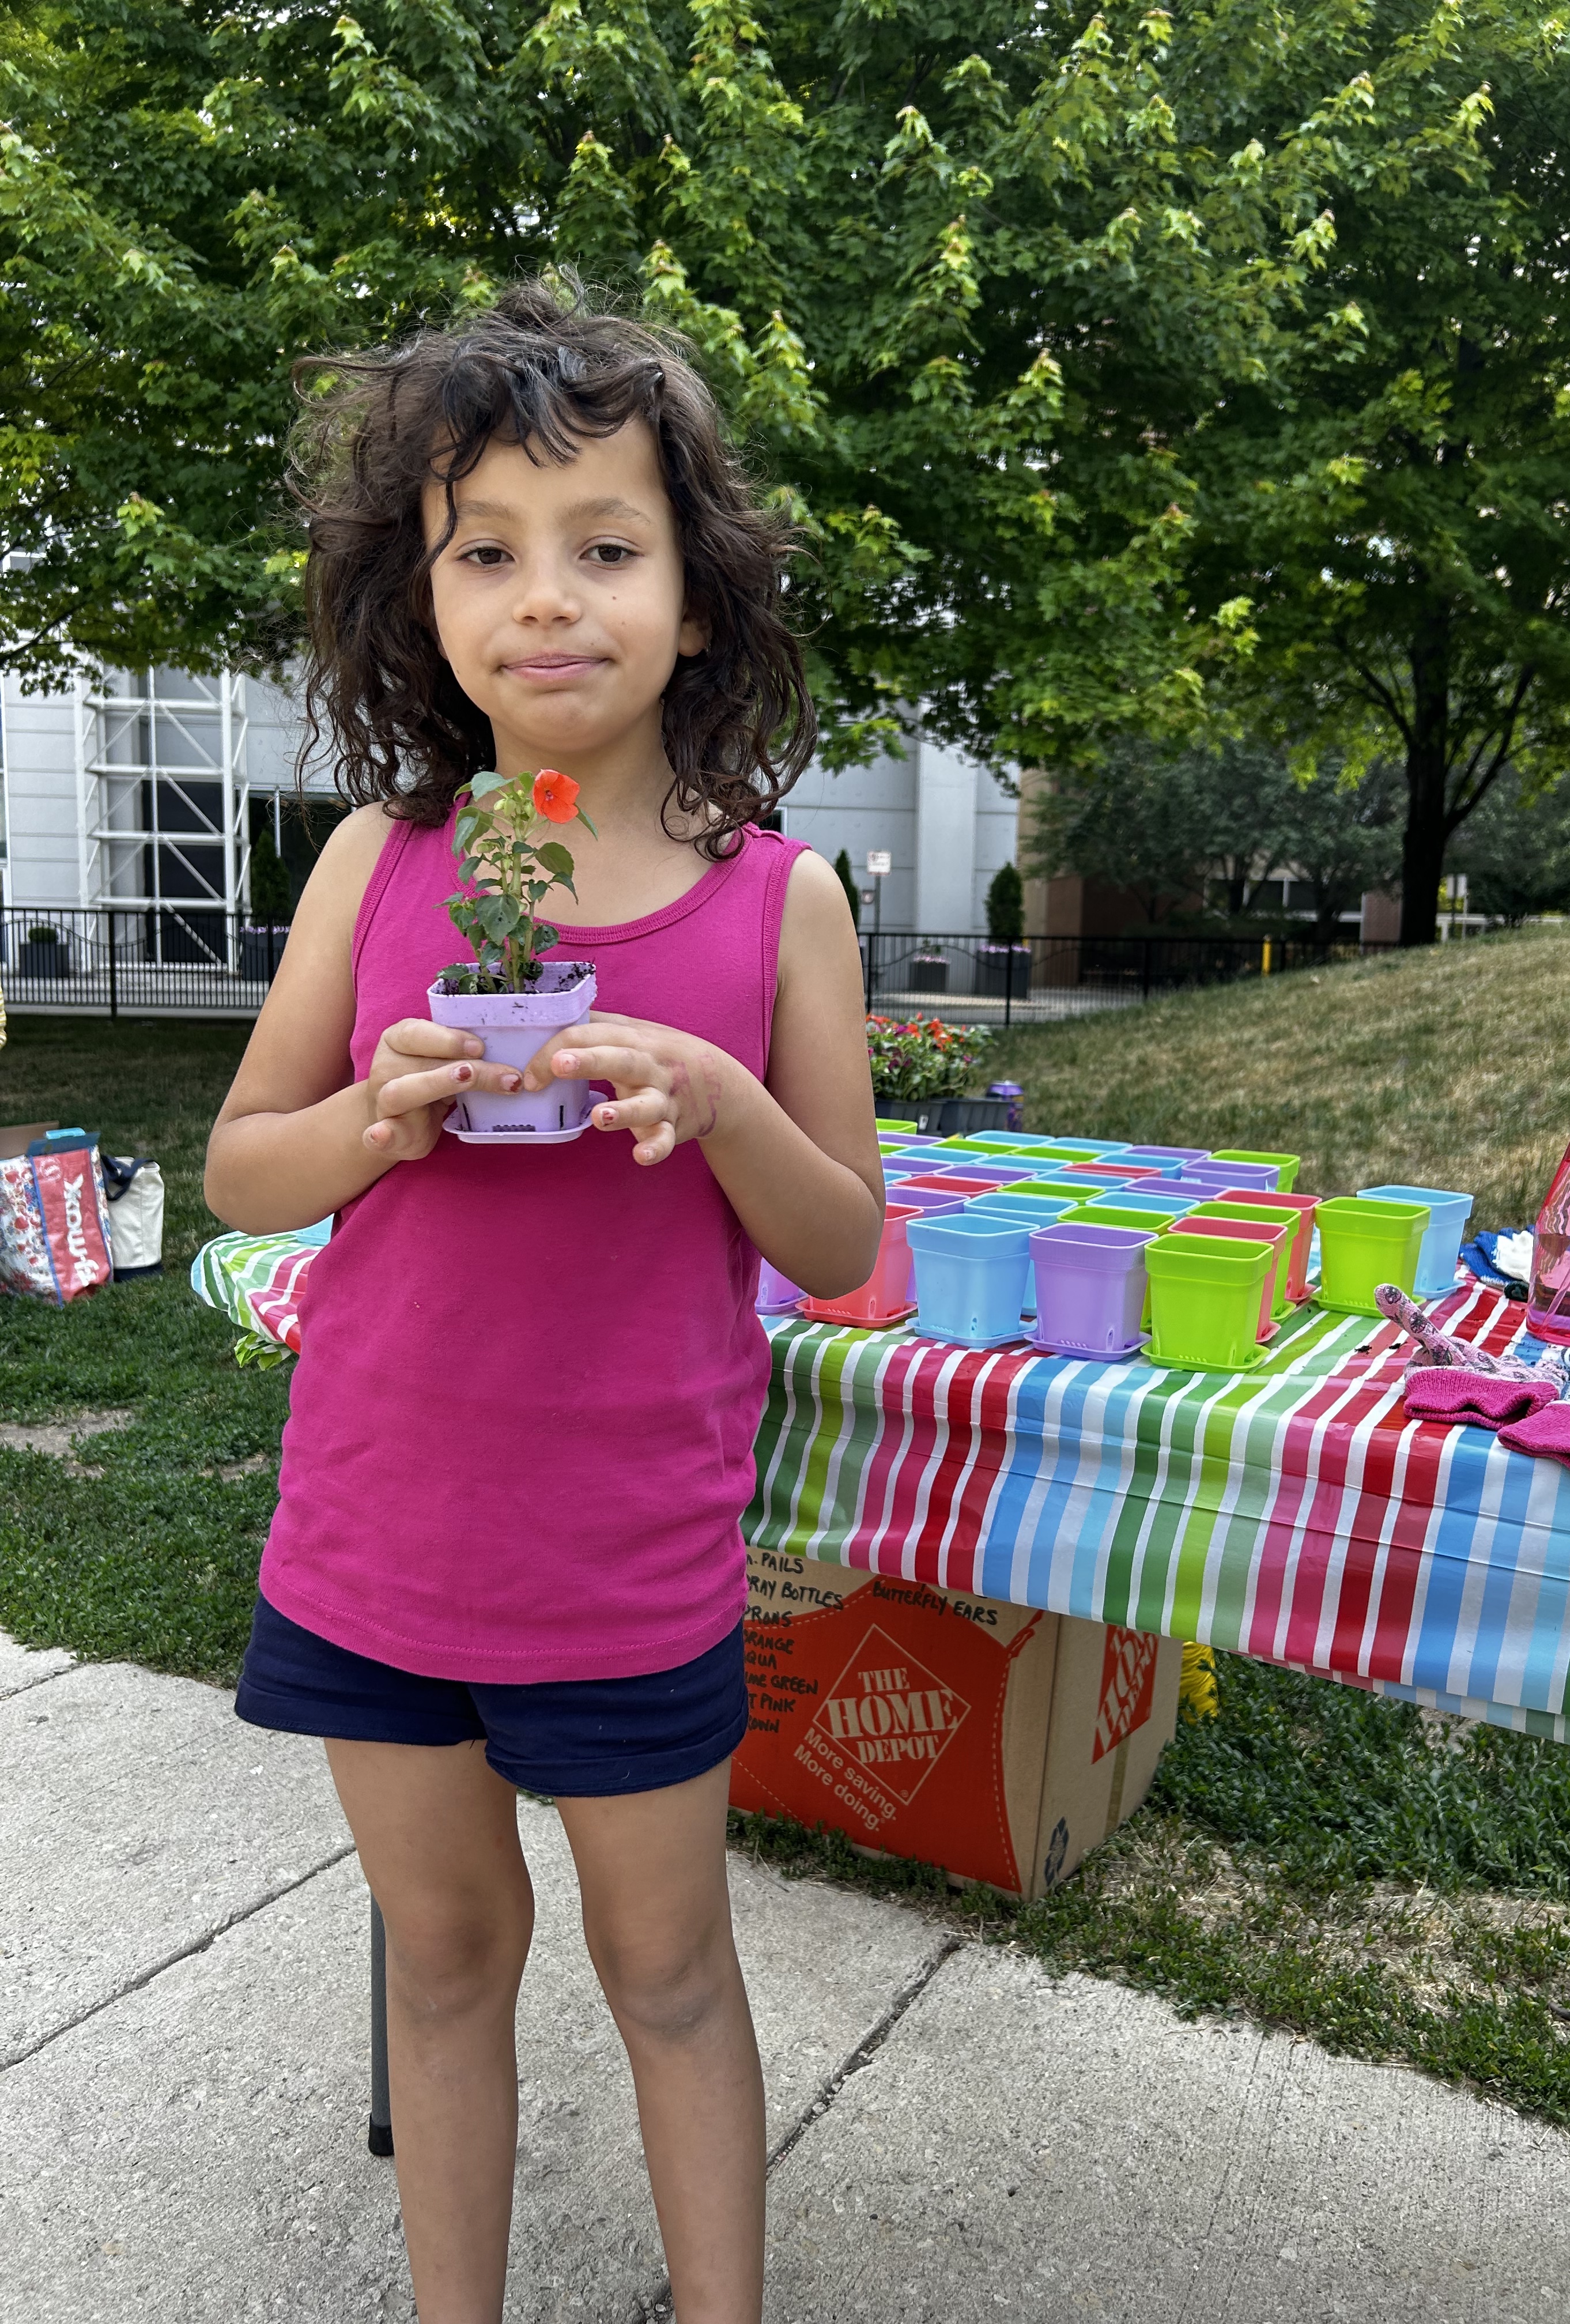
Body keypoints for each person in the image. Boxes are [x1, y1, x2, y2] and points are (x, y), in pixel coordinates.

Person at [204, 277, 882, 2324]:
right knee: (442, 1956)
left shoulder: (784, 898)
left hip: (627, 1559)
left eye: (606, 546)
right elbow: (243, 1170)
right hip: (379, 1535)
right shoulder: (382, 862)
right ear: (425, 600)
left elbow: (840, 1244)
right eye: (485, 551)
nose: (547, 597)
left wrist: (727, 1095)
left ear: (698, 591)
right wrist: (374, 1123)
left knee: (669, 1972)